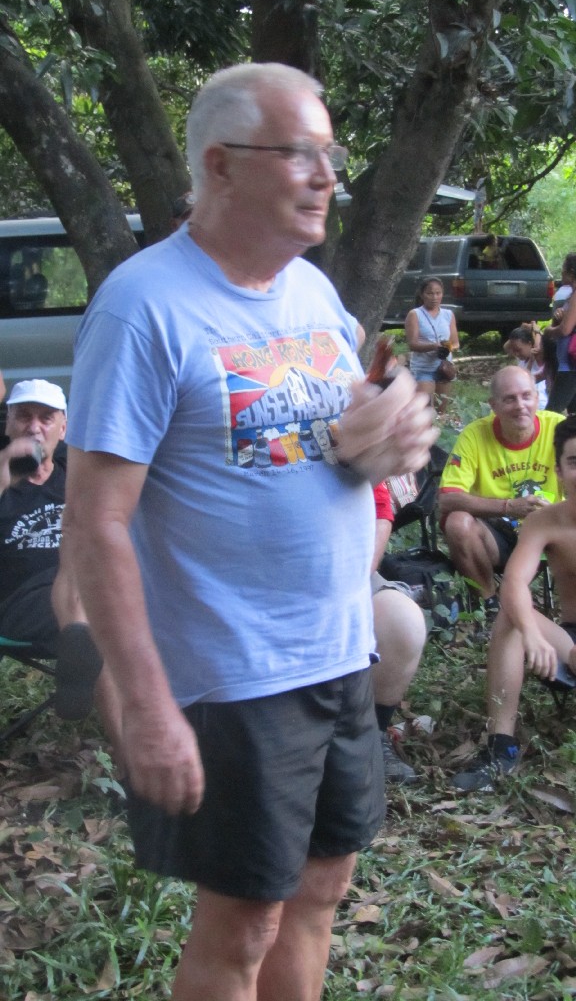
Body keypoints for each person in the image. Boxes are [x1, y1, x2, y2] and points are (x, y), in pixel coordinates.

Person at [63, 62, 436, 1001]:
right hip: (232, 673)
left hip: (338, 649)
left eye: (331, 155)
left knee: (322, 888)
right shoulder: (143, 307)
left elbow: (344, 437)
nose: (327, 177)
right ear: (221, 165)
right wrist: (147, 704)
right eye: (301, 154)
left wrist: (390, 436)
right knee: (243, 924)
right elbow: (96, 522)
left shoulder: (309, 292)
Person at [451, 415, 576, 791]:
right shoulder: (545, 522)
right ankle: (500, 748)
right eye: (574, 462)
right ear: (558, 472)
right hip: (570, 644)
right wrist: (530, 632)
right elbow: (515, 583)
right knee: (511, 613)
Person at [0, 379, 110, 724]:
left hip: (90, 595)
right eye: (24, 416)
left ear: (63, 429)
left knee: (102, 607)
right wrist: (5, 470)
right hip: (20, 605)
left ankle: (80, 655)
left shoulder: (77, 478)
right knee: (104, 616)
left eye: (46, 418)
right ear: (8, 423)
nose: (34, 427)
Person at [438, 366, 564, 616]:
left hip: (550, 531)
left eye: (526, 396)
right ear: (493, 405)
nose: (520, 406)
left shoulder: (559, 429)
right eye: (509, 399)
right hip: (496, 535)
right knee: (457, 522)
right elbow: (447, 499)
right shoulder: (474, 435)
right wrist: (508, 507)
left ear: (537, 398)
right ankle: (490, 604)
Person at [371, 482, 426, 784]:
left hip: (341, 566)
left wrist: (358, 574)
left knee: (403, 620)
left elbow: (380, 508)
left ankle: (373, 733)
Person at [405, 277, 460, 414]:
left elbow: (456, 343)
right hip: (424, 368)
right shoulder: (415, 314)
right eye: (430, 293)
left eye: (438, 293)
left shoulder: (448, 314)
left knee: (441, 411)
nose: (434, 297)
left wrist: (447, 347)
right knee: (424, 411)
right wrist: (433, 346)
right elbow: (412, 344)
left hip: (444, 368)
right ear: (422, 294)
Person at [544, 253, 576, 414]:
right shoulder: (570, 296)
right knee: (573, 413)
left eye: (564, 269)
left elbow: (565, 330)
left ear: (571, 272)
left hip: (570, 365)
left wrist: (548, 331)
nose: (561, 273)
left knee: (551, 413)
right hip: (569, 363)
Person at [504, 325, 548, 410]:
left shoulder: (537, 357)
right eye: (514, 351)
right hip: (525, 404)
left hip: (540, 404)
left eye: (518, 350)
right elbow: (506, 347)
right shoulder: (521, 359)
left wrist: (536, 331)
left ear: (529, 344)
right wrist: (522, 329)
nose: (516, 353)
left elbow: (537, 346)